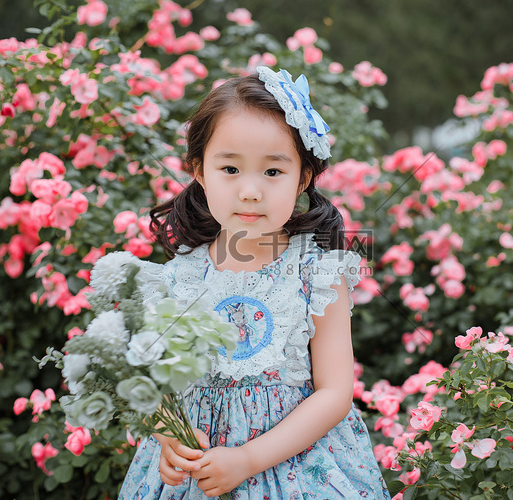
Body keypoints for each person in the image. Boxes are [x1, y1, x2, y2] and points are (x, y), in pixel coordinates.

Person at [118, 66, 391, 500]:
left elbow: (335, 392)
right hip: (197, 471)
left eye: (272, 172)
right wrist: (165, 435)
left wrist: (248, 459)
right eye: (229, 168)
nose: (249, 191)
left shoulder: (316, 275)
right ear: (199, 172)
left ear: (302, 177)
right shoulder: (176, 278)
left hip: (295, 466)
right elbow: (152, 380)